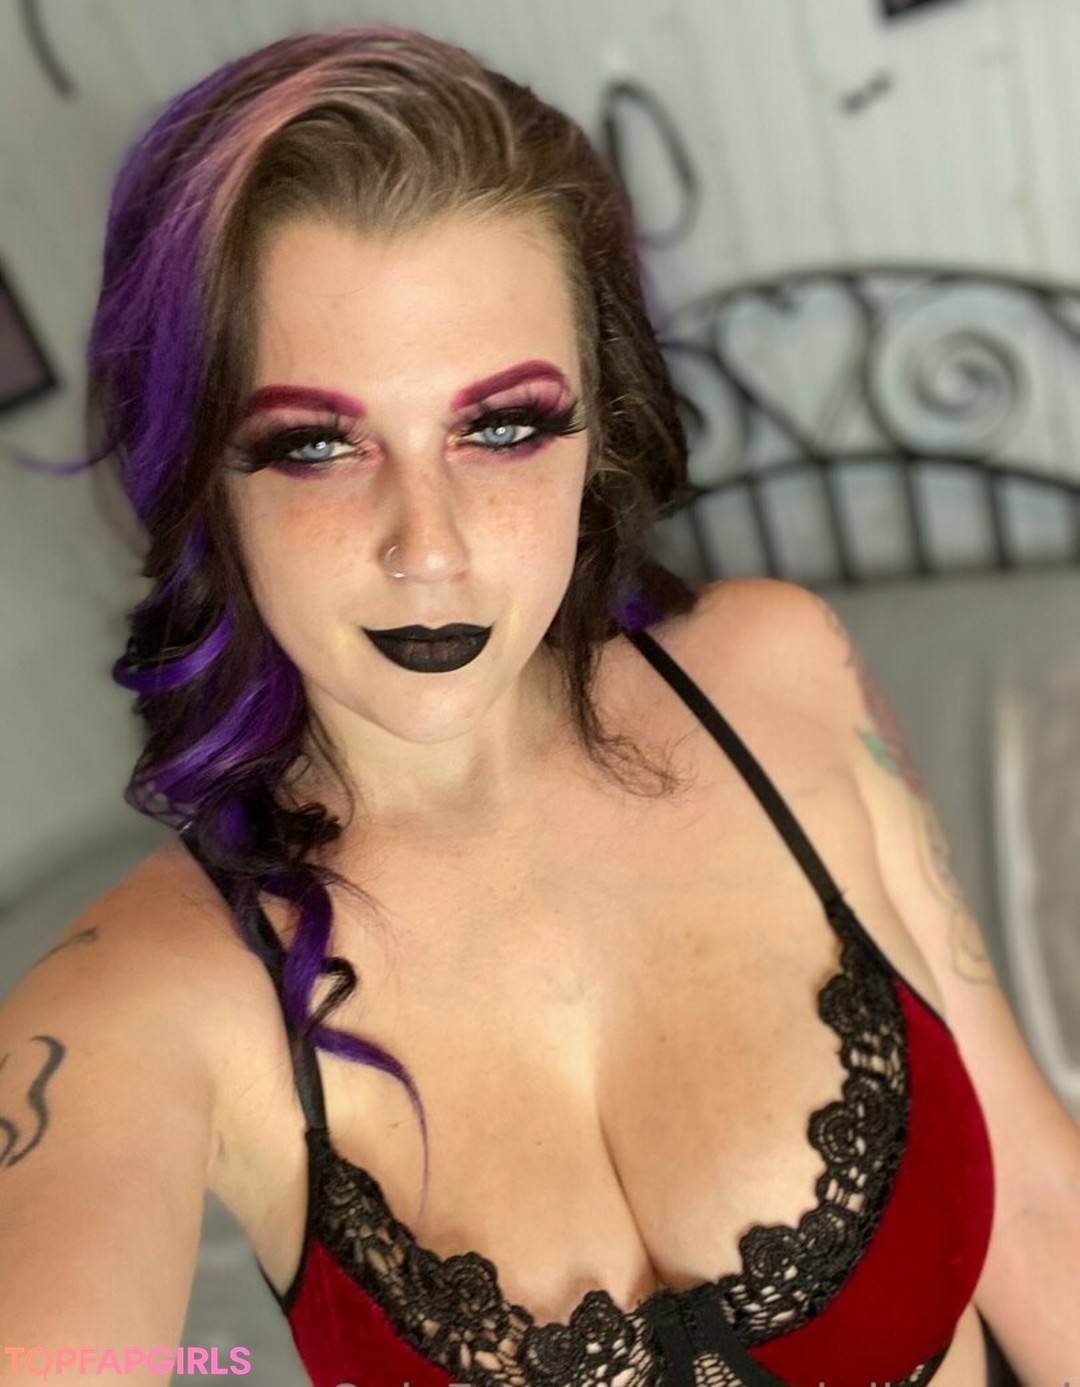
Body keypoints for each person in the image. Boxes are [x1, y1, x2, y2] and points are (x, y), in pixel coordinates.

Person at [0, 24, 1074, 1387]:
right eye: (318, 445)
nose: (429, 546)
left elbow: (1039, 1210)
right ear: (206, 475)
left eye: (502, 426)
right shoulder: (141, 999)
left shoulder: (781, 674)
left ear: (599, 427)